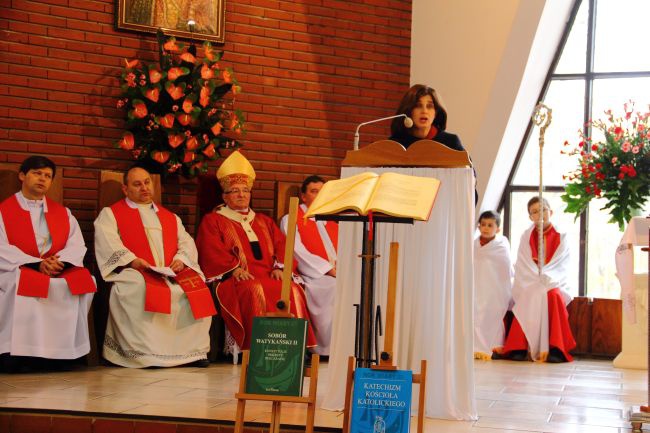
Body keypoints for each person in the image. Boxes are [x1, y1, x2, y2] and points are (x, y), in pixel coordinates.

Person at [94, 165, 215, 368]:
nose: (144, 188)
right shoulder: (111, 214)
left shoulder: (170, 217)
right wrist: (132, 260)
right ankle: (144, 352)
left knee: (197, 288)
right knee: (138, 287)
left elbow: (186, 241)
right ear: (125, 189)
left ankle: (192, 353)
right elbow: (108, 240)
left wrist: (182, 259)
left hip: (169, 271)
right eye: (137, 184)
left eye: (147, 182)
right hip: (136, 270)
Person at [196, 151, 316, 354]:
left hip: (269, 274)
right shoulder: (213, 220)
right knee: (254, 290)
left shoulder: (264, 220)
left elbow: (282, 245)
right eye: (235, 191)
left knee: (292, 290)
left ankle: (293, 349)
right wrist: (233, 270)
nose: (242, 195)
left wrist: (280, 267)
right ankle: (258, 349)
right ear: (225, 196)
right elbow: (210, 250)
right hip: (238, 278)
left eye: (245, 190)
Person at [0, 156, 96, 372]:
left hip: (56, 269)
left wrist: (56, 263)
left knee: (84, 281)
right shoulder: (3, 211)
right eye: (37, 173)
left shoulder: (63, 214)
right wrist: (36, 264)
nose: (42, 179)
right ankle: (16, 355)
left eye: (47, 176)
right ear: (22, 176)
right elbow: (2, 247)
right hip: (17, 268)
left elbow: (76, 245)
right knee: (17, 283)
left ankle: (63, 354)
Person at [500, 197, 576, 363]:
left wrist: (546, 276)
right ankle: (518, 347)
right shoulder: (526, 236)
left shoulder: (561, 236)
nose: (539, 214)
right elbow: (523, 262)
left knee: (553, 296)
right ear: (530, 217)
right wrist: (534, 277)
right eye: (534, 212)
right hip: (531, 280)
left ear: (551, 211)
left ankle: (556, 348)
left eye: (542, 210)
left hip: (553, 281)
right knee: (528, 294)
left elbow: (561, 262)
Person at [280, 175, 338, 356]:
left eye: (323, 192)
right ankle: (325, 348)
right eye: (314, 191)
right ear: (303, 196)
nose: (319, 195)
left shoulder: (334, 220)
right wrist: (328, 269)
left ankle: (345, 344)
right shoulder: (291, 218)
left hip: (336, 272)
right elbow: (296, 251)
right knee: (334, 287)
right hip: (311, 274)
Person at [473, 210, 513, 360]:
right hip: (476, 288)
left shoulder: (502, 245)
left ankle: (493, 347)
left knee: (493, 312)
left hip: (496, 290)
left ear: (498, 228)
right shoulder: (473, 245)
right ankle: (474, 346)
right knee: (475, 312)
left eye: (490, 225)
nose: (486, 228)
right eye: (483, 224)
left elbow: (506, 269)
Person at [389, 84, 467, 151]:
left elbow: (469, 168)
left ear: (436, 112)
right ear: (408, 111)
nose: (424, 111)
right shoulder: (395, 144)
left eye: (429, 106)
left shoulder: (451, 142)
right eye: (418, 106)